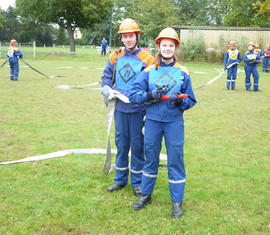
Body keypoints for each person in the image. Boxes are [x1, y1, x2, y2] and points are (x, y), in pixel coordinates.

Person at [129, 27, 197, 218]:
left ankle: (176, 202)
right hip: (152, 122)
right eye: (164, 45)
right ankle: (146, 195)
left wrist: (180, 101)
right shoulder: (149, 71)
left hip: (174, 123)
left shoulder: (183, 73)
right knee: (150, 158)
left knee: (176, 159)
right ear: (158, 46)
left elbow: (191, 100)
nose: (167, 49)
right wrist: (149, 95)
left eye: (171, 45)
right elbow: (134, 95)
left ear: (176, 48)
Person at [101, 18, 154, 196]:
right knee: (122, 145)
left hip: (139, 110)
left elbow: (151, 83)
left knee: (138, 146)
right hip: (120, 110)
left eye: (131, 35)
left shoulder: (148, 59)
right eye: (125, 36)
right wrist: (106, 88)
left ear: (137, 36)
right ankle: (120, 180)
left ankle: (137, 182)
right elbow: (107, 76)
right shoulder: (115, 56)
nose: (128, 39)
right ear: (121, 38)